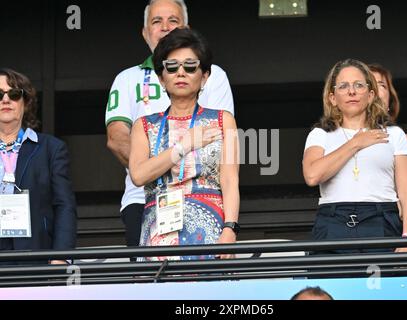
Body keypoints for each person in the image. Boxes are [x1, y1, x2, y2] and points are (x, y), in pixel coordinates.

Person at [105, 0, 234, 251]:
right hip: (143, 198)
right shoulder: (126, 78)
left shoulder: (215, 75)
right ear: (145, 32)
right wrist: (158, 170)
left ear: (186, 27)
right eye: (156, 21)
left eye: (173, 20)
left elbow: (221, 145)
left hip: (207, 200)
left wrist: (230, 224)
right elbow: (117, 138)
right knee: (152, 284)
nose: (165, 27)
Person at [129, 28, 239, 261]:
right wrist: (183, 146)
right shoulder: (145, 125)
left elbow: (229, 179)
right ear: (161, 77)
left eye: (190, 66)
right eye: (172, 66)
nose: (181, 73)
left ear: (205, 76)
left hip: (210, 229)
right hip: (159, 230)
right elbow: (138, 175)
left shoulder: (222, 120)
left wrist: (230, 229)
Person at [302, 59, 407, 254]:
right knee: (330, 284)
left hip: (382, 218)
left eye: (358, 85)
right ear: (332, 97)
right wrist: (355, 143)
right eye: (343, 86)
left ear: (371, 94)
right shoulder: (320, 134)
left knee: (387, 283)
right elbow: (312, 176)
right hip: (333, 220)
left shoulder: (394, 133)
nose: (352, 92)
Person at [0, 68, 77, 264]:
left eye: (15, 94)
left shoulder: (51, 149)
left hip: (36, 253)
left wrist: (61, 257)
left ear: (26, 103)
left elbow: (64, 206)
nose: (6, 100)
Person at [368, 63, 407, 200]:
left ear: (390, 102)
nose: (374, 89)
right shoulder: (340, 137)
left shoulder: (406, 141)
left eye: (381, 85)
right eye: (368, 84)